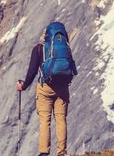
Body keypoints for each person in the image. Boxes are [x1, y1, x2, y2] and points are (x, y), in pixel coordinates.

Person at [17, 24, 75, 156]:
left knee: (45, 120)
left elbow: (32, 72)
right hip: (63, 88)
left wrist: (24, 85)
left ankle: (44, 152)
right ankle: (62, 152)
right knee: (61, 119)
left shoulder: (39, 49)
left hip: (45, 88)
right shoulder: (66, 49)